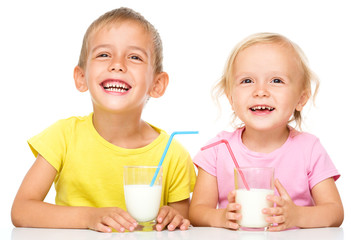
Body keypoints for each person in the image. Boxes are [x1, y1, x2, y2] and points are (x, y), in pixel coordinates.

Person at [11, 7, 196, 233]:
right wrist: (89, 217)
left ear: (156, 85)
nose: (117, 65)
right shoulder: (63, 137)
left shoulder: (173, 154)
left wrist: (174, 218)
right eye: (104, 55)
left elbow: (183, 221)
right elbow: (21, 211)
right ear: (81, 77)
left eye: (135, 57)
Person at [189, 32, 344, 231]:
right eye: (247, 81)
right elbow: (197, 211)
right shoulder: (217, 150)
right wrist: (220, 217)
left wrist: (297, 215)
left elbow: (335, 212)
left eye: (276, 81)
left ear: (301, 98)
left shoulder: (309, 149)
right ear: (230, 98)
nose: (260, 91)